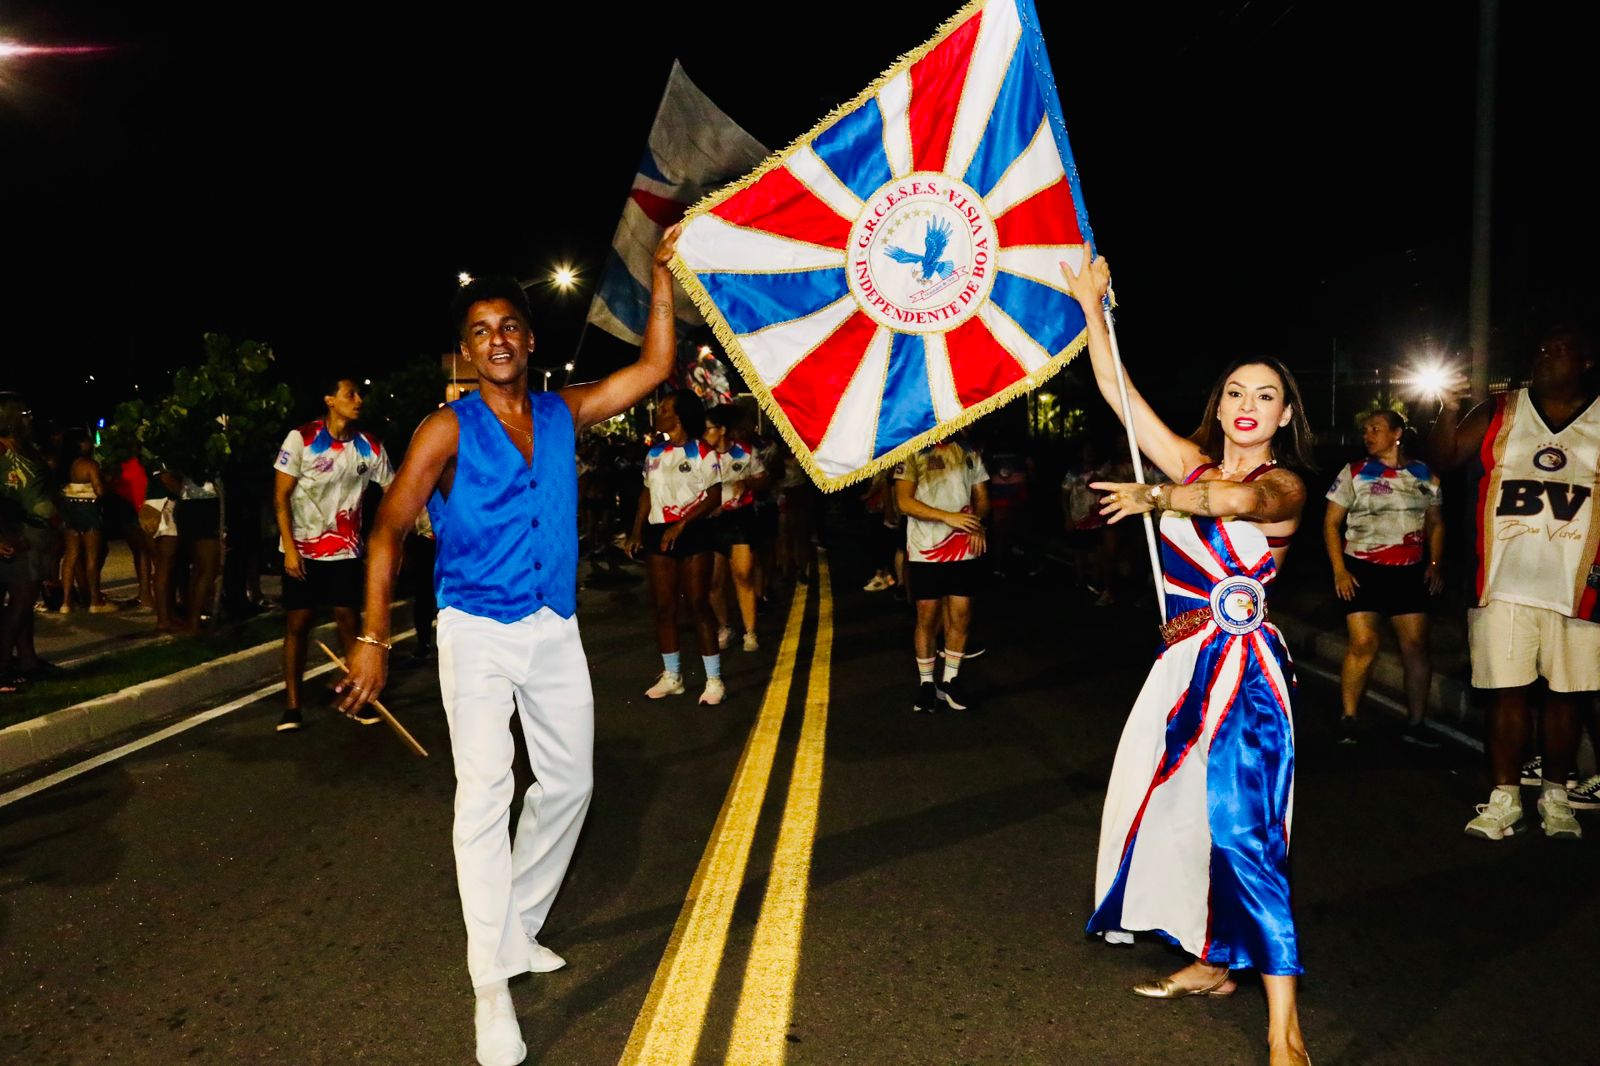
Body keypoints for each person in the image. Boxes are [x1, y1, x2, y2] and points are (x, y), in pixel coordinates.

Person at [332, 225, 680, 1066]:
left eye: (511, 327)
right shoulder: (443, 430)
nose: (498, 340)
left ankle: (516, 928)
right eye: (482, 330)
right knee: (485, 796)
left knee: (569, 782)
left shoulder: (563, 412)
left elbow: (653, 371)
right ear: (465, 348)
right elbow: (386, 531)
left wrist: (663, 279)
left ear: (529, 340)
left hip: (552, 627)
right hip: (475, 631)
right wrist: (375, 638)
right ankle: (491, 989)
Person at [1064, 253, 1313, 1066]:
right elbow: (1119, 396)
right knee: (1181, 819)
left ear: (1283, 416)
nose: (1248, 406)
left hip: (1244, 675)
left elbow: (1236, 503)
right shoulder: (1188, 463)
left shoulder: (1285, 487)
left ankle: (1287, 1036)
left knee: (1247, 834)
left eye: (1265, 395)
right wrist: (1092, 307)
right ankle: (1213, 963)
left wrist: (1163, 499)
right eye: (1236, 392)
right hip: (1178, 668)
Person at [1429, 325, 1599, 841]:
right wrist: (1449, 407)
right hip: (1503, 579)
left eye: (1559, 349)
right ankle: (1504, 797)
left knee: (1565, 698)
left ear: (1586, 362)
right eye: (1541, 348)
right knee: (1508, 693)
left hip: (1576, 586)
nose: (1545, 355)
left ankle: (1555, 794)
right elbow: (1445, 457)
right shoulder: (1501, 409)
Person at [271, 377, 394, 732]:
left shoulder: (368, 446)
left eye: (359, 393)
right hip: (303, 550)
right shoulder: (302, 439)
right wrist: (290, 551)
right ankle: (292, 706)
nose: (359, 399)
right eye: (350, 394)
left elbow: (392, 490)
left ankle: (360, 698)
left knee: (348, 621)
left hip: (346, 550)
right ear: (329, 400)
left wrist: (389, 535)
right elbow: (280, 498)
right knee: (298, 624)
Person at [1323, 410, 1444, 747]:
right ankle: (1349, 716)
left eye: (1375, 429)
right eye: (1365, 430)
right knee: (1363, 643)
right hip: (1362, 569)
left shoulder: (1424, 475)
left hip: (1408, 570)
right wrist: (1339, 569)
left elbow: (1436, 522)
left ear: (1397, 433)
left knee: (1416, 647)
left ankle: (1416, 723)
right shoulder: (1355, 472)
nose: (1368, 435)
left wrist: (1434, 564)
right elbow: (1331, 523)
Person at [624, 389, 725, 703]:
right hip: (659, 532)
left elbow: (715, 496)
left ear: (679, 415)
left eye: (665, 408)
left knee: (697, 603)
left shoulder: (703, 451)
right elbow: (645, 493)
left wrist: (683, 524)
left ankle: (714, 680)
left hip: (694, 531)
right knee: (665, 606)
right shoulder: (654, 453)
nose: (659, 412)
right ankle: (672, 676)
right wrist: (636, 530)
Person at [895, 436, 989, 713]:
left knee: (961, 613)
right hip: (926, 547)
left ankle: (950, 680)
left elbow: (982, 498)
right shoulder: (912, 450)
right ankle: (926, 683)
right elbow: (904, 501)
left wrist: (978, 524)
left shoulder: (970, 450)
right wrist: (947, 517)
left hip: (963, 546)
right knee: (927, 614)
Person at [0, 393, 58, 692]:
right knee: (20, 603)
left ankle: (26, 660)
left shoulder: (25, 448)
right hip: (15, 533)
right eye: (24, 412)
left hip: (33, 532)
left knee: (25, 601)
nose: (29, 417)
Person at [704, 403, 767, 653]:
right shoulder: (701, 456)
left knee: (743, 575)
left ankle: (750, 632)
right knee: (713, 582)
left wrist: (747, 482)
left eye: (707, 429)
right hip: (711, 522)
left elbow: (764, 479)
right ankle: (725, 626)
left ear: (721, 430)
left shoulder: (745, 452)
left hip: (740, 519)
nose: (704, 434)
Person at [56, 429, 117, 614]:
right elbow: (99, 491)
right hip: (89, 510)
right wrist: (108, 482)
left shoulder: (64, 466)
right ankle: (95, 600)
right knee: (91, 556)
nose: (90, 444)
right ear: (80, 444)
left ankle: (66, 602)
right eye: (87, 441)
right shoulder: (89, 464)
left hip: (69, 510)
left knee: (70, 556)